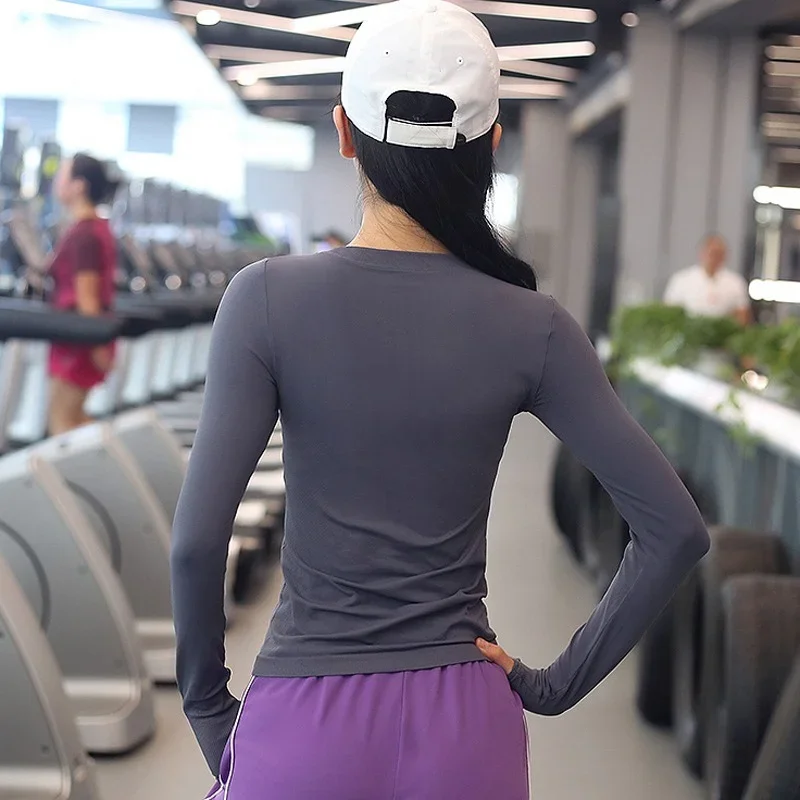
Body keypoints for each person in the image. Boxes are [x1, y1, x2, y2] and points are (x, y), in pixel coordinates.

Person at [170, 3, 710, 798]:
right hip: (467, 728)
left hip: (304, 722)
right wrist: (553, 685)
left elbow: (194, 546)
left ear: (344, 132)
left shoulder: (264, 300)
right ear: (490, 146)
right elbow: (675, 531)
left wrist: (212, 716)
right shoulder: (535, 325)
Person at [47, 153, 118, 435]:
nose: (56, 181)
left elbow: (87, 296)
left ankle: (113, 457)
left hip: (80, 342)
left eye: (62, 175)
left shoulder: (84, 234)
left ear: (79, 185)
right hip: (80, 338)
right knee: (73, 421)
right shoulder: (93, 228)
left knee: (63, 423)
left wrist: (99, 346)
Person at [664, 234, 752, 324]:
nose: (714, 258)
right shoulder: (681, 280)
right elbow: (670, 313)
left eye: (719, 254)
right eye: (712, 253)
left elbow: (742, 314)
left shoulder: (736, 282)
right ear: (702, 253)